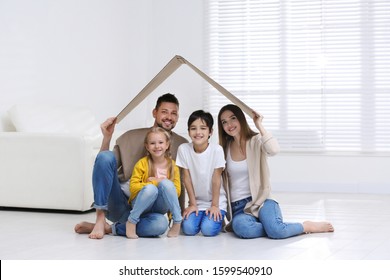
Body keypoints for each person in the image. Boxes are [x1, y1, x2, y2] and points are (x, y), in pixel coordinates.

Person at [74, 93, 188, 239]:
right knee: (104, 156)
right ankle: (100, 220)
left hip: (152, 211)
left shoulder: (182, 146)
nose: (169, 117)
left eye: (174, 113)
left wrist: (177, 217)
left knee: (160, 226)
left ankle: (112, 228)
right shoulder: (130, 137)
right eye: (164, 112)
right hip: (122, 203)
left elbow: (179, 186)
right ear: (154, 113)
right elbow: (103, 165)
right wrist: (107, 138)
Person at [217, 104, 334, 239]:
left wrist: (259, 124)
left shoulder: (255, 140)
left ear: (241, 119)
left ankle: (305, 226)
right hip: (239, 208)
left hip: (262, 201)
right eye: (224, 122)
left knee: (276, 232)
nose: (229, 124)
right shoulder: (223, 149)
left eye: (233, 118)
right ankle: (273, 225)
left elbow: (273, 150)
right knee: (242, 228)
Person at [114, 127, 182, 239]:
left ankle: (177, 221)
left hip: (158, 209)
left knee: (161, 225)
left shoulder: (173, 166)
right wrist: (154, 184)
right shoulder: (142, 163)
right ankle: (132, 221)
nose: (157, 146)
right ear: (147, 146)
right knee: (151, 189)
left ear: (167, 144)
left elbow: (177, 191)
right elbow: (133, 187)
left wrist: (159, 181)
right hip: (141, 205)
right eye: (152, 143)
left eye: (161, 142)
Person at [176, 110, 227, 237]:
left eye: (203, 128)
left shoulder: (217, 150)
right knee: (188, 229)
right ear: (188, 131)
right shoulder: (183, 149)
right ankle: (205, 217)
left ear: (210, 132)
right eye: (193, 128)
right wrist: (193, 204)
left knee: (208, 230)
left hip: (216, 201)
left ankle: (218, 220)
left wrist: (215, 206)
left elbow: (216, 179)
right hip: (197, 203)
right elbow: (186, 179)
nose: (198, 132)